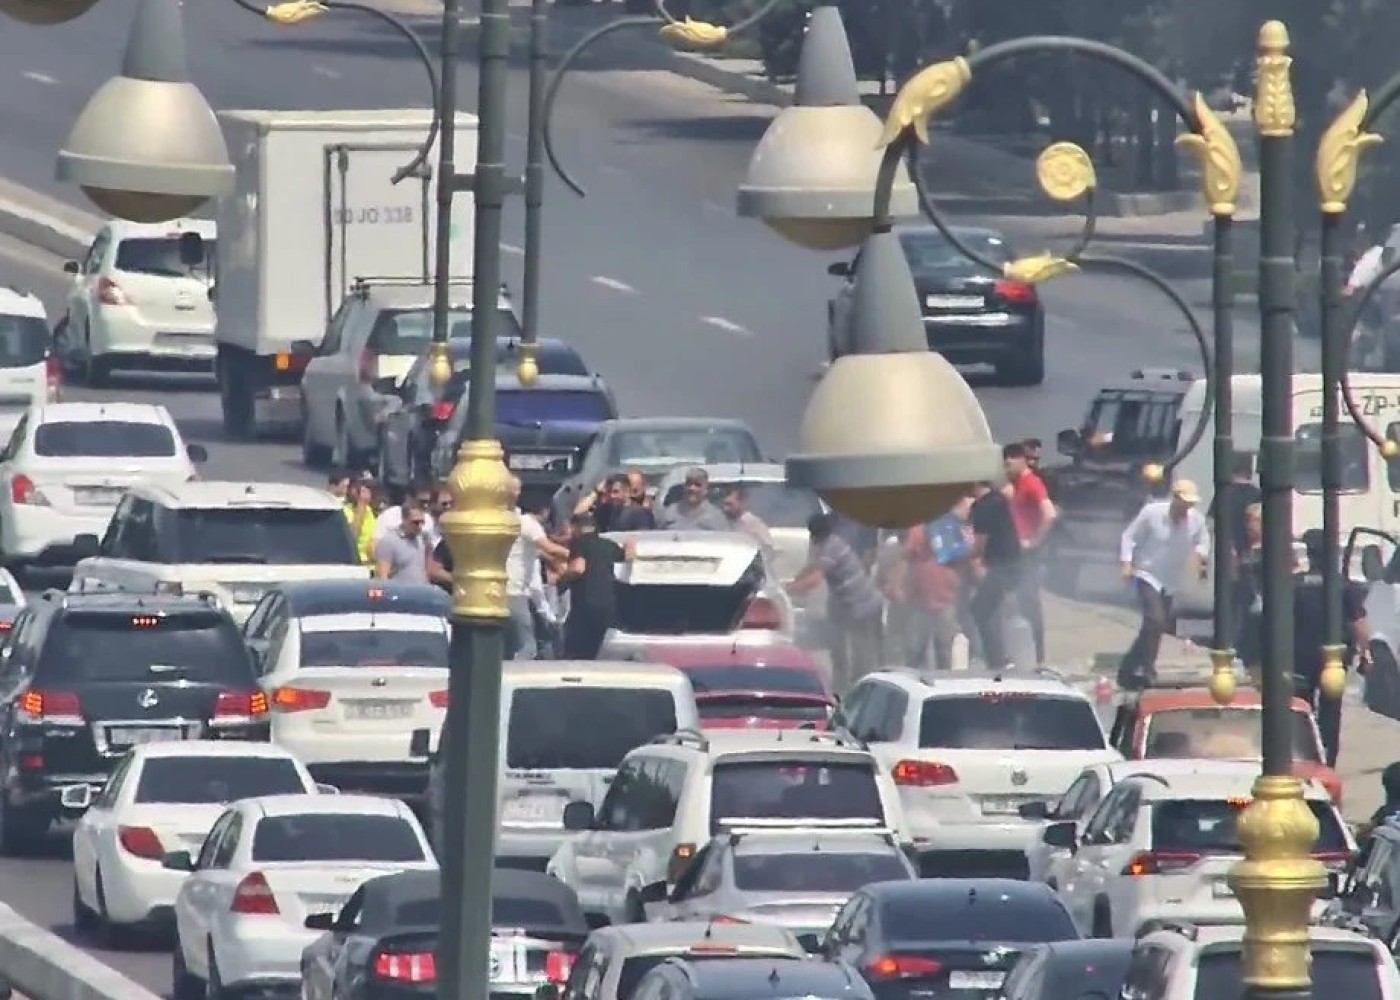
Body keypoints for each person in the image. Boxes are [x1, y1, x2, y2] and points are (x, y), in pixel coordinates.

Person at [1118, 480, 1210, 689]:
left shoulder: (1196, 520)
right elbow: (1129, 537)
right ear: (1174, 498)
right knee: (1155, 619)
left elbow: (1203, 542)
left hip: (1170, 580)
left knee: (1155, 627)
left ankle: (1128, 668)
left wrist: (1198, 556)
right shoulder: (1152, 513)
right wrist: (1126, 563)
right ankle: (1147, 669)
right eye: (1184, 503)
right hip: (1147, 573)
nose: (1187, 509)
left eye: (1190, 504)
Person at [1293, 528, 1370, 767]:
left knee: (1301, 709)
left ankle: (1304, 755)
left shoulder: (1296, 584)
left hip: (1301, 657)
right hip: (1335, 659)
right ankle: (1328, 759)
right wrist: (1366, 653)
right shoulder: (1345, 585)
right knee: (1331, 711)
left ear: (1310, 554)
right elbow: (1358, 623)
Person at [787, 512, 884, 694]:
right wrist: (793, 582)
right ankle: (840, 688)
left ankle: (862, 690)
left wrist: (788, 590)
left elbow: (815, 579)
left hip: (863, 605)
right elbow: (811, 567)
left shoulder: (832, 546)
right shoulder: (822, 545)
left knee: (862, 654)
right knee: (838, 648)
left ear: (819, 533)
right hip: (845, 606)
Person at [891, 507, 968, 671]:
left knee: (941, 649)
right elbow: (905, 557)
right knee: (917, 649)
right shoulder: (921, 529)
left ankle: (943, 681)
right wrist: (897, 584)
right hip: (924, 598)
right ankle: (915, 678)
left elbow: (965, 554)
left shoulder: (949, 527)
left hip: (942, 596)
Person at [504, 476, 570, 661]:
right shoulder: (529, 524)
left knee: (510, 644)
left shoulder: (515, 521)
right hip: (515, 591)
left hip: (508, 589)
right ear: (545, 510)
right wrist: (580, 554)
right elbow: (549, 547)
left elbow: (538, 553)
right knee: (528, 647)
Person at [1004, 442, 1057, 667]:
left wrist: (1034, 541)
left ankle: (1038, 655)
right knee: (1015, 602)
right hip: (1016, 553)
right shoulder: (1016, 484)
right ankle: (1019, 651)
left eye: (1009, 462)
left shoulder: (1031, 482)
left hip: (1028, 554)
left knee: (1029, 603)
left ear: (1020, 460)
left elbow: (1050, 514)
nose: (1006, 467)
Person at [557, 513, 636, 659]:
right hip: (608, 605)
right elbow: (628, 556)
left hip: (585, 604)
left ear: (577, 527)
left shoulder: (580, 543)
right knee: (594, 649)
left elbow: (578, 569)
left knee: (574, 650)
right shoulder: (609, 545)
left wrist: (561, 580)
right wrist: (630, 544)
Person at [969, 479, 1021, 670]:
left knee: (980, 609)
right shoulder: (998, 499)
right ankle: (1001, 657)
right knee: (993, 609)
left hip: (1001, 566)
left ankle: (997, 660)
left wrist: (970, 557)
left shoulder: (983, 507)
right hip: (1013, 563)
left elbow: (980, 544)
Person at [374, 498, 431, 583]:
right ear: (404, 519)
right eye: (415, 522)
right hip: (400, 590)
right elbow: (382, 577)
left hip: (421, 589)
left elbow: (425, 569)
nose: (419, 526)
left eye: (422, 522)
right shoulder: (388, 541)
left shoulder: (422, 539)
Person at [658, 467, 728, 530]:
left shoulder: (716, 517)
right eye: (689, 484)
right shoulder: (668, 514)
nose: (691, 488)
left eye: (697, 485)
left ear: (706, 490)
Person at [377, 478, 437, 545]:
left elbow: (430, 547)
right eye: (422, 502)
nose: (426, 506)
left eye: (428, 502)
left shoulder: (428, 520)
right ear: (409, 498)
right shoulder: (389, 516)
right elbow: (375, 544)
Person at [339, 473, 377, 567]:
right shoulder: (343, 510)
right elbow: (350, 539)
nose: (364, 492)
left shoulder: (369, 510)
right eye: (360, 488)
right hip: (353, 564)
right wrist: (361, 506)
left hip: (370, 565)